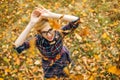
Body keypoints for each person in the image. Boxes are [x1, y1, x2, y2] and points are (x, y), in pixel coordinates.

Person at [14, 6, 80, 79]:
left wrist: (52, 15)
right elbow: (17, 46)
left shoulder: (59, 32)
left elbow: (76, 20)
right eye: (44, 32)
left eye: (50, 30)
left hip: (62, 57)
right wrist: (31, 23)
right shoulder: (38, 40)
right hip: (48, 63)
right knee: (51, 77)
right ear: (40, 33)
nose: (49, 35)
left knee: (65, 72)